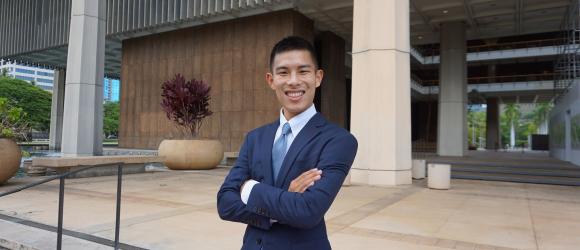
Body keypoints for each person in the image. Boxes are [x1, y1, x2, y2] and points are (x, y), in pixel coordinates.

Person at [217, 36, 358, 250]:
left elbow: (308, 211)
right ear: (271, 80)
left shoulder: (339, 141)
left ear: (318, 77)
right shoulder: (255, 138)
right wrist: (283, 204)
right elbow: (225, 204)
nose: (293, 81)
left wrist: (249, 189)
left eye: (303, 71)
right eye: (283, 72)